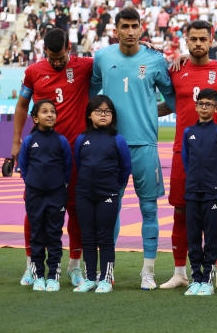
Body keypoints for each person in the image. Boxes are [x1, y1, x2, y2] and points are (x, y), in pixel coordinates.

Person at [90, 7, 176, 289]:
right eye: (124, 26)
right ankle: (107, 272)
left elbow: (173, 100)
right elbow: (91, 96)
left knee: (149, 209)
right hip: (111, 146)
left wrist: (151, 110)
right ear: (115, 30)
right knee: (109, 211)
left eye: (134, 26)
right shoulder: (102, 57)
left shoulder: (155, 59)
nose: (129, 31)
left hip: (145, 146)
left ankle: (147, 273)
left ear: (142, 29)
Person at [162, 20, 217, 291]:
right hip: (181, 153)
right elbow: (169, 105)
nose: (198, 43)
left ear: (211, 41)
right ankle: (179, 273)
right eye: (193, 39)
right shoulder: (176, 70)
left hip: (213, 158)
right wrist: (141, 112)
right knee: (180, 212)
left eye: (203, 39)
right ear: (186, 41)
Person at [13, 28, 92, 287]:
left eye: (61, 58)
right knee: (33, 212)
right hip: (42, 156)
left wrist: (145, 45)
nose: (57, 63)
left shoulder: (84, 66)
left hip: (75, 155)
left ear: (69, 48)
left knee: (75, 211)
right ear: (44, 50)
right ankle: (31, 267)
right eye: (52, 58)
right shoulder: (34, 71)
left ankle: (74, 266)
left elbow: (118, 58)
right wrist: (16, 141)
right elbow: (23, 105)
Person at [72, 96, 131, 294]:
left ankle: (106, 278)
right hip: (84, 194)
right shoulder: (82, 139)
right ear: (90, 115)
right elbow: (79, 165)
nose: (103, 114)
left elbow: (125, 169)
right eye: (99, 111)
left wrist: (113, 188)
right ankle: (90, 278)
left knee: (105, 237)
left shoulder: (118, 140)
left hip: (108, 194)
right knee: (87, 237)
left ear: (113, 116)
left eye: (107, 111)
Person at [180, 87, 217, 297]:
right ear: (196, 106)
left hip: (211, 192)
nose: (204, 107)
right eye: (201, 104)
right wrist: (194, 179)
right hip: (192, 190)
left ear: (216, 108)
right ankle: (196, 278)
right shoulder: (188, 132)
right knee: (193, 236)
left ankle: (208, 278)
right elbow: (186, 160)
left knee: (210, 235)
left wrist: (215, 184)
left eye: (208, 104)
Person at [17, 99, 73, 292]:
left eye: (53, 112)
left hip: (56, 195)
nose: (50, 115)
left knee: (53, 235)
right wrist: (33, 183)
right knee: (36, 235)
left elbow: (68, 167)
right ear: (35, 118)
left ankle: (53, 277)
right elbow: (23, 167)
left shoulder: (61, 141)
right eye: (44, 112)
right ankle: (38, 275)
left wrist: (59, 186)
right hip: (34, 194)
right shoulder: (29, 141)